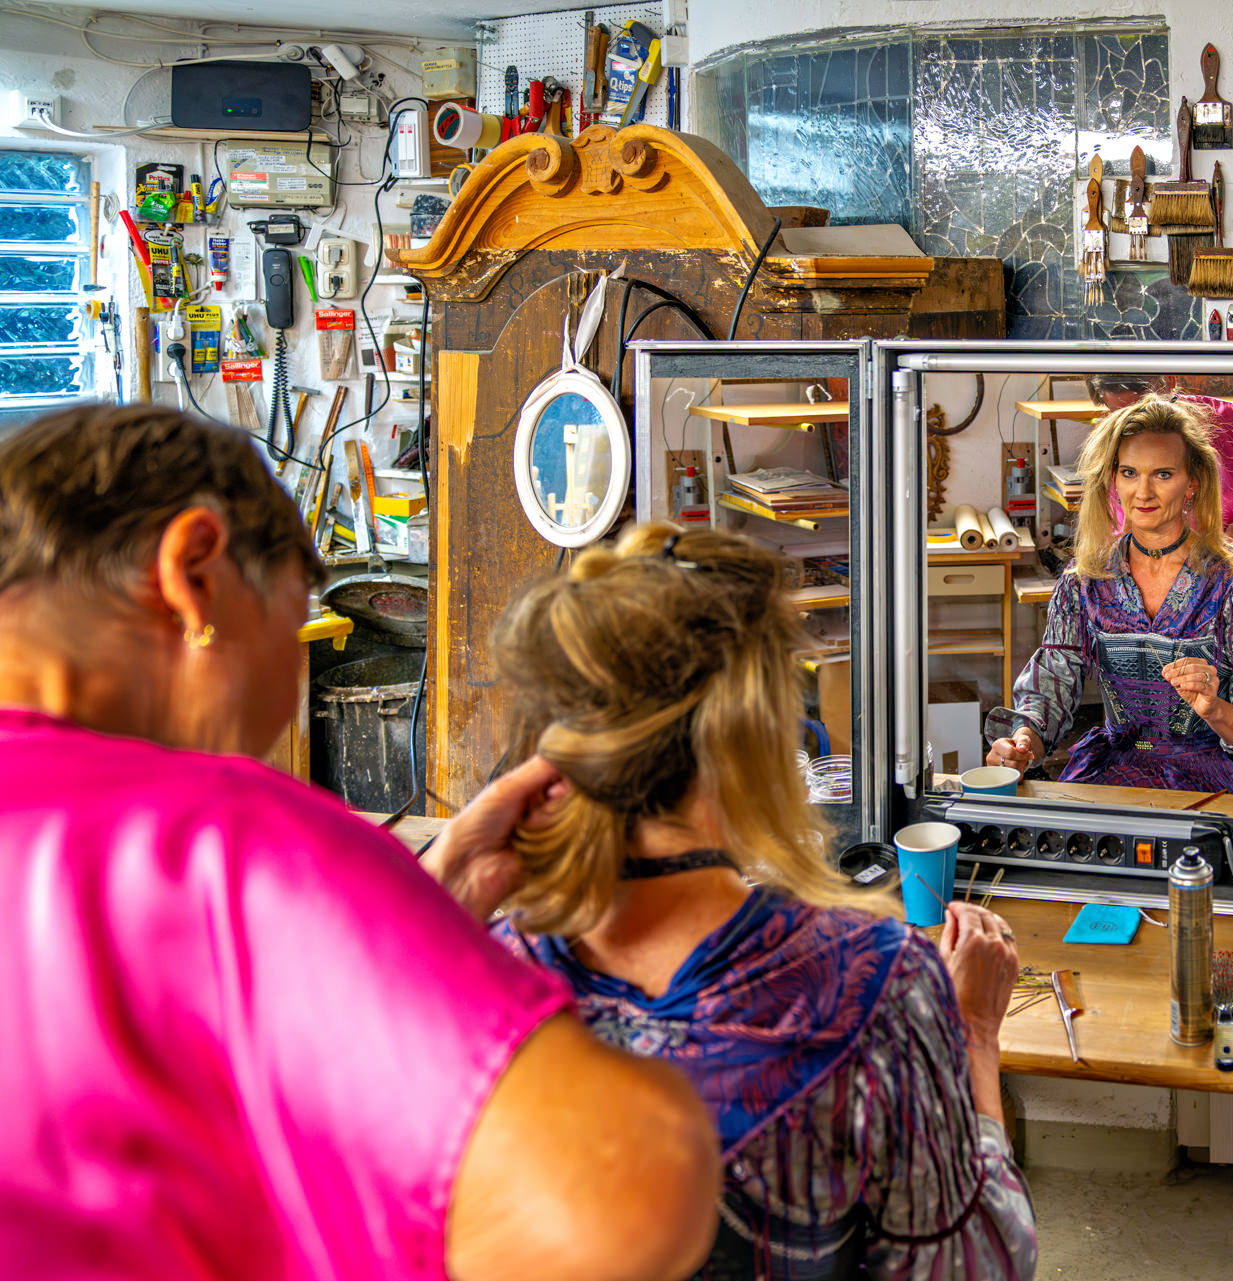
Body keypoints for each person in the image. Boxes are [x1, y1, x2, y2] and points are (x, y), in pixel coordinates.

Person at [0, 405, 720, 1281]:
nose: (274, 720)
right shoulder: (222, 844)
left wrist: (415, 913)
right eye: (291, 627)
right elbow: (629, 1185)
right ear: (195, 572)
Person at [484, 521, 1039, 1281]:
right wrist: (971, 1036)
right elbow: (975, 1266)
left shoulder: (484, 974)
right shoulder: (876, 989)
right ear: (760, 733)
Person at [985, 396, 1233, 794]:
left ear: (1192, 483)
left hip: (1211, 777)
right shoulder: (1083, 579)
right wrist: (1023, 742)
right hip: (1112, 769)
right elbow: (1051, 688)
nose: (1143, 492)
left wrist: (1216, 710)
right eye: (1130, 473)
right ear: (1114, 479)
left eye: (1163, 474)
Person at [1088, 374, 1233, 693]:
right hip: (1162, 653)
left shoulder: (1228, 423)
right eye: (1125, 416)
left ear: (1169, 381)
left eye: (1149, 407)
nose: (1142, 429)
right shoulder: (1113, 444)